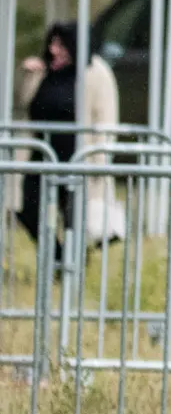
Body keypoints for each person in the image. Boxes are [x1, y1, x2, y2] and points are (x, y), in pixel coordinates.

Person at [13, 21, 124, 261]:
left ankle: (75, 267)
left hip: (77, 159)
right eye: (51, 44)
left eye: (61, 45)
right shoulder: (44, 72)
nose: (54, 50)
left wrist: (99, 161)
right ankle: (59, 258)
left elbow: (105, 120)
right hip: (40, 157)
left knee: (76, 219)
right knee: (29, 211)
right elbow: (22, 104)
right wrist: (27, 73)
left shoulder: (96, 73)